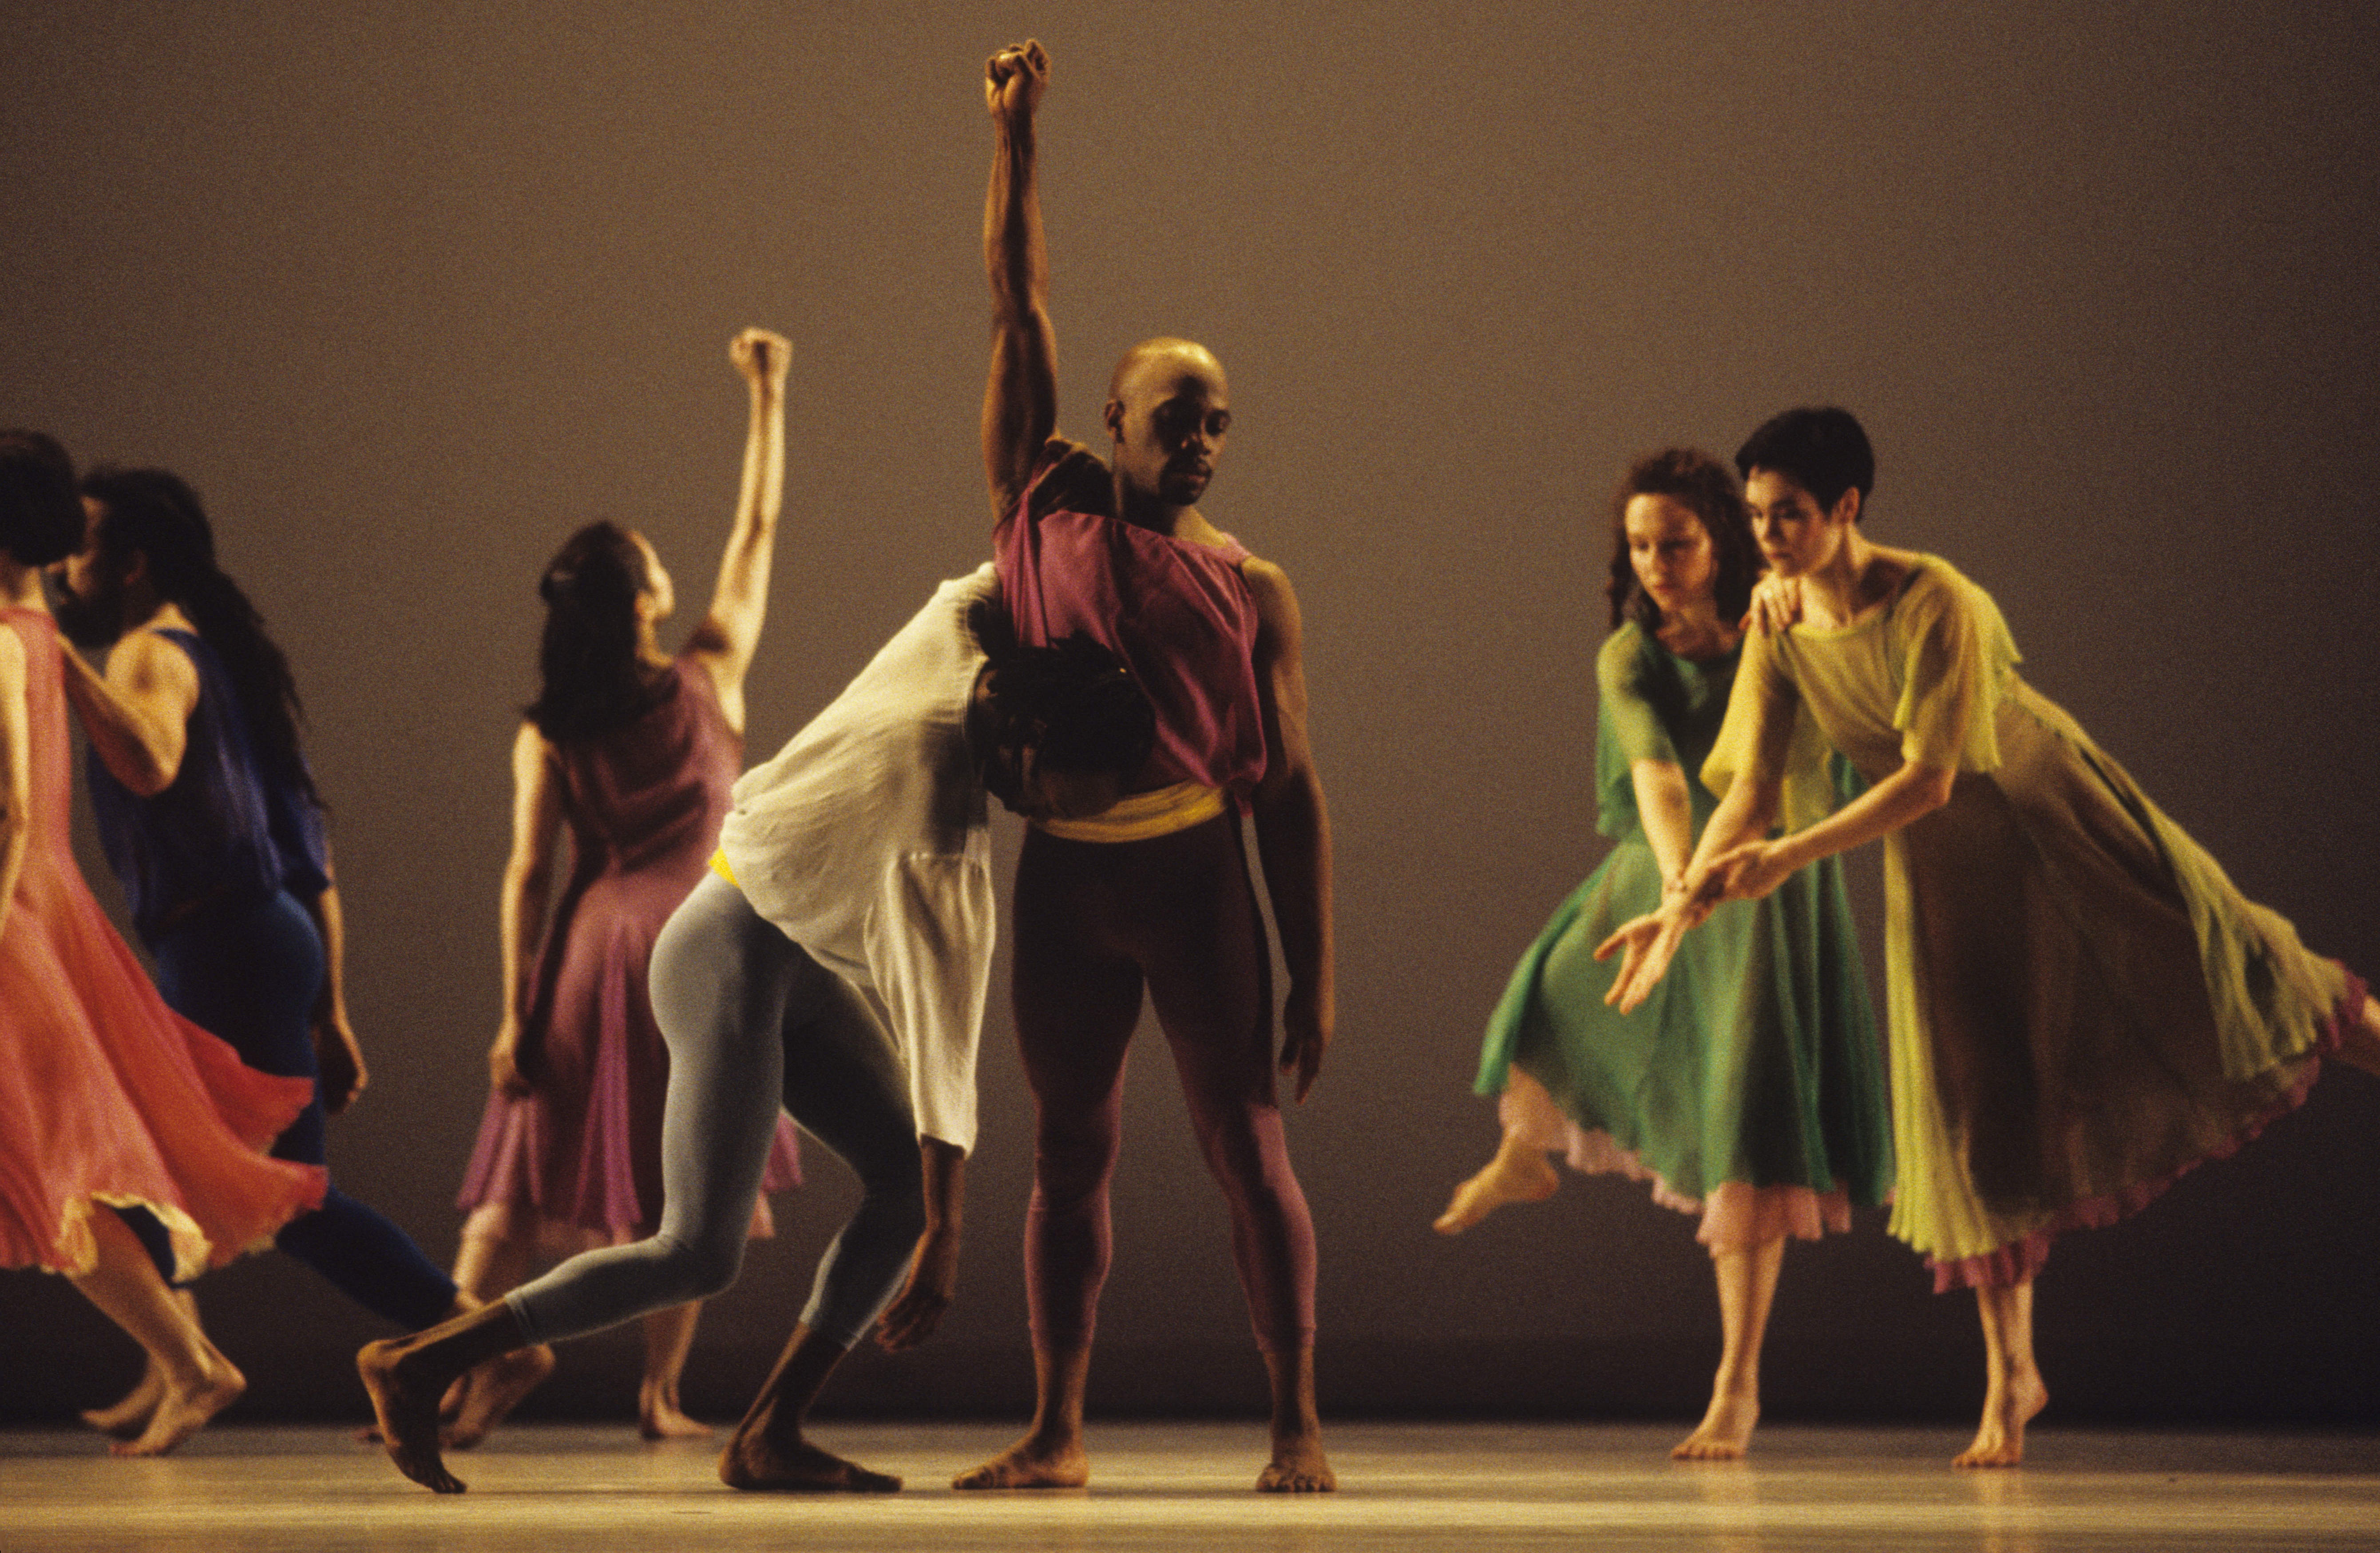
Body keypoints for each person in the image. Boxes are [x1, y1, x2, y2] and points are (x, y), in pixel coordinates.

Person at [1598, 407, 2380, 1467]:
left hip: (2060, 821)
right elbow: (1751, 788)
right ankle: (2011, 1378)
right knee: (1974, 1103)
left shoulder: (1937, 602)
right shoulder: (1778, 621)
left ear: (1845, 509)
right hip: (1950, 878)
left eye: (1787, 516)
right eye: (1754, 517)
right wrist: (1684, 899)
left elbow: (1928, 778)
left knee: (2246, 976)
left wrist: (1785, 861)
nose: (1767, 537)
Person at [357, 563, 1157, 1495]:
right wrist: (945, 1236)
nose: (1040, 817)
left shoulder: (954, 653)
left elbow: (972, 586)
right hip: (722, 960)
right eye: (1055, 798)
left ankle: (768, 1433)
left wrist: (1085, 532)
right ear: (1027, 736)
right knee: (696, 1252)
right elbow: (945, 1046)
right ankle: (423, 1361)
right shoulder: (935, 839)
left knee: (894, 1179)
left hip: (785, 962)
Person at [954, 41, 1338, 1495]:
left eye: (1220, 419)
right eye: (1177, 414)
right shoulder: (1039, 501)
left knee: (1247, 1146)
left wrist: (1315, 961)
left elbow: (1291, 787)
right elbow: (1016, 299)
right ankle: (1058, 1429)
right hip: (1067, 881)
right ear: (1110, 419)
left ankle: (1295, 1422)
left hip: (1195, 880)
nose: (1202, 440)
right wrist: (1017, 138)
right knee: (1066, 1150)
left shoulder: (1256, 586)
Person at [51, 464, 535, 1437]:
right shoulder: (217, 654)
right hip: (261, 943)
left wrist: (47, 650)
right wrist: (330, 1008)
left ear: (132, 562)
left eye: (84, 545)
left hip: (225, 948)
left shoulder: (150, 653)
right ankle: (174, 1364)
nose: (66, 566)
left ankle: (491, 1342)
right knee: (158, 1166)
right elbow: (308, 853)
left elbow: (148, 759)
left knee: (279, 1200)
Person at [1432, 449, 1892, 1459]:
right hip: (1668, 869)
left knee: (1747, 1127)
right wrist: (1681, 892)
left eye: (1673, 543)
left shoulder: (1778, 617)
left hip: (1767, 882)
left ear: (1718, 541)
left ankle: (1736, 1384)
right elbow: (1660, 783)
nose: (1653, 563)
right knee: (1545, 996)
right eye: (1638, 545)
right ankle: (1523, 1156)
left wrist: (1710, 891)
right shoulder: (1628, 654)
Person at [446, 328, 805, 1445]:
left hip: (598, 952)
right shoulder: (711, 671)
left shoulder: (551, 731)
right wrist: (768, 394)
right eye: (655, 561)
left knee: (520, 1163)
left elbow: (526, 875)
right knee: (686, 1184)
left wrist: (513, 1012)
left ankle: (452, 1365)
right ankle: (659, 1395)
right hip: (699, 948)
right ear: (645, 598)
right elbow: (755, 530)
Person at [0, 430, 324, 1457]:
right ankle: (187, 1362)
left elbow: (12, 812)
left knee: (52, 1169)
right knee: (53, 1170)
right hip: (41, 913)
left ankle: (191, 1362)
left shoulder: (15, 637)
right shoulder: (32, 629)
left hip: (19, 918)